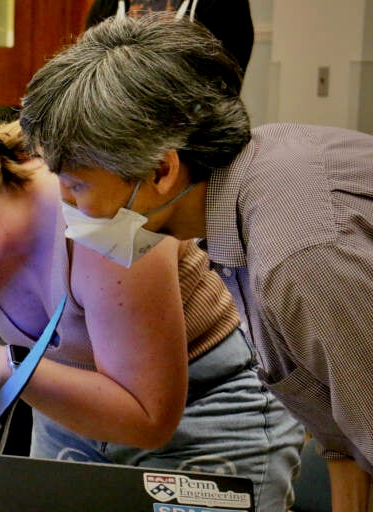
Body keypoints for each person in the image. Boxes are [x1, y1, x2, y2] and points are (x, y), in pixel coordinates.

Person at [0, 111, 304, 510]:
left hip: (203, 417)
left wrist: (11, 367)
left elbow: (149, 417)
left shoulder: (98, 219)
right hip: (73, 418)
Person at [20, 12, 373, 511]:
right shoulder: (246, 196)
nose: (69, 208)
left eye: (78, 186)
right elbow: (345, 440)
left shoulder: (298, 256)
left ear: (162, 169)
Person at [85, 0, 254, 77]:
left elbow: (226, 85)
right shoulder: (108, 6)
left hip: (191, 136)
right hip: (117, 132)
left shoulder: (224, 5)